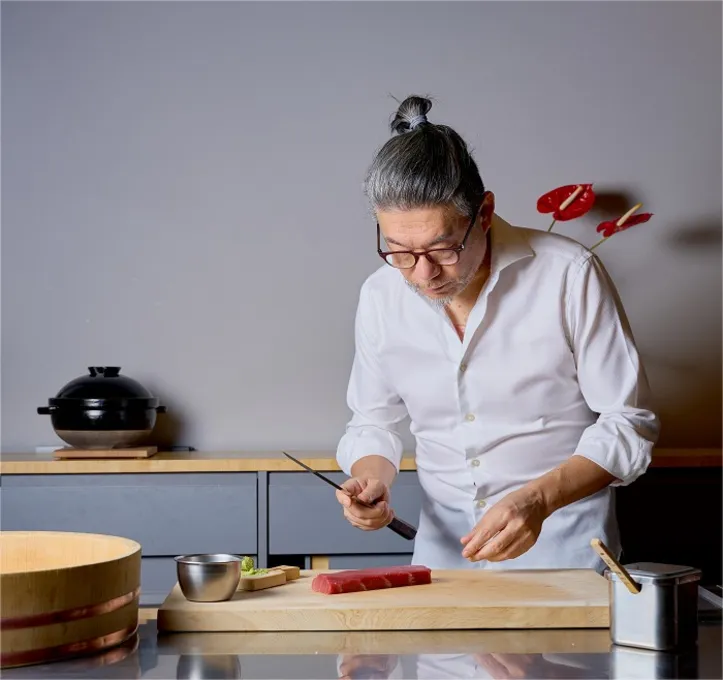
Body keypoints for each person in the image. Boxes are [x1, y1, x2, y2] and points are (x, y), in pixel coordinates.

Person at [334, 95, 660, 571]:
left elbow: (629, 422)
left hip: (565, 555)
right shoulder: (381, 295)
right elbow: (372, 421)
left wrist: (537, 501)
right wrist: (371, 478)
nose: (422, 274)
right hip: (443, 562)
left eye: (443, 248)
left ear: (484, 213)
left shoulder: (568, 274)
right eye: (399, 250)